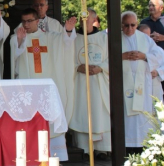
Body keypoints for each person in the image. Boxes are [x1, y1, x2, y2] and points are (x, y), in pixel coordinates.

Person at [10, 8, 77, 160]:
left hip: (48, 88)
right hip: (28, 89)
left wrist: (67, 30)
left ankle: (54, 156)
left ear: (38, 22)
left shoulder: (51, 37)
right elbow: (13, 57)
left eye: (29, 21)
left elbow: (65, 42)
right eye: (24, 21)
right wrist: (20, 41)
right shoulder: (18, 37)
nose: (26, 25)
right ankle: (31, 155)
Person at [70, 8, 111, 157]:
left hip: (100, 81)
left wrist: (101, 68)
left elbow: (111, 58)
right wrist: (77, 67)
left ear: (94, 20)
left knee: (100, 112)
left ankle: (102, 149)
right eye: (82, 20)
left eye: (87, 19)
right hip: (81, 82)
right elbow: (66, 59)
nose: (84, 22)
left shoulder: (104, 38)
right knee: (82, 110)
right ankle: (85, 149)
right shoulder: (73, 38)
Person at [121, 11, 163, 152]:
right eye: (126, 25)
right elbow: (107, 57)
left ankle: (142, 145)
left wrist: (144, 56)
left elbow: (159, 54)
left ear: (137, 24)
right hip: (123, 83)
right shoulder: (115, 38)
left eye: (133, 25)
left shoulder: (144, 39)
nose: (130, 28)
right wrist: (122, 56)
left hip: (141, 85)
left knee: (141, 116)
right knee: (127, 116)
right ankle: (126, 145)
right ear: (121, 25)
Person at [138, 24, 164, 102]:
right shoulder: (132, 50)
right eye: (143, 35)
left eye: (148, 35)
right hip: (139, 86)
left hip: (154, 86)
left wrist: (157, 72)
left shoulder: (158, 49)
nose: (146, 38)